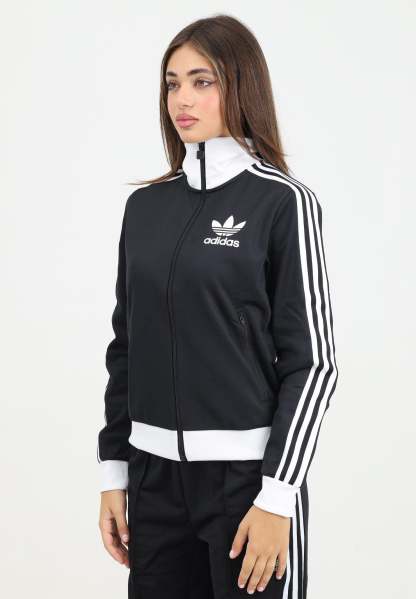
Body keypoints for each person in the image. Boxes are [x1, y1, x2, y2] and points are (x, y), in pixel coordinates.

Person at [97, 14, 338, 599]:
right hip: (153, 482)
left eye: (202, 81)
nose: (182, 99)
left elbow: (313, 364)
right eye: (172, 83)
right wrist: (114, 472)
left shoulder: (282, 202)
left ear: (241, 85)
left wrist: (278, 495)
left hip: (246, 485)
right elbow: (127, 347)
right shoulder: (145, 209)